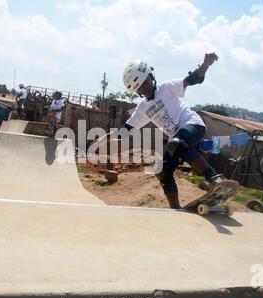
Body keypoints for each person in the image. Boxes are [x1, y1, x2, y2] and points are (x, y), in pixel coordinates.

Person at [96, 53, 228, 209]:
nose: (146, 88)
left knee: (176, 144)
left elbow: (192, 79)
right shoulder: (143, 108)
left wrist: (206, 65)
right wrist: (103, 139)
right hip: (178, 140)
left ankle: (215, 178)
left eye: (146, 82)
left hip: (193, 125)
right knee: (162, 171)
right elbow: (126, 130)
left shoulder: (166, 87)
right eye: (141, 88)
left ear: (151, 77)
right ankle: (175, 210)